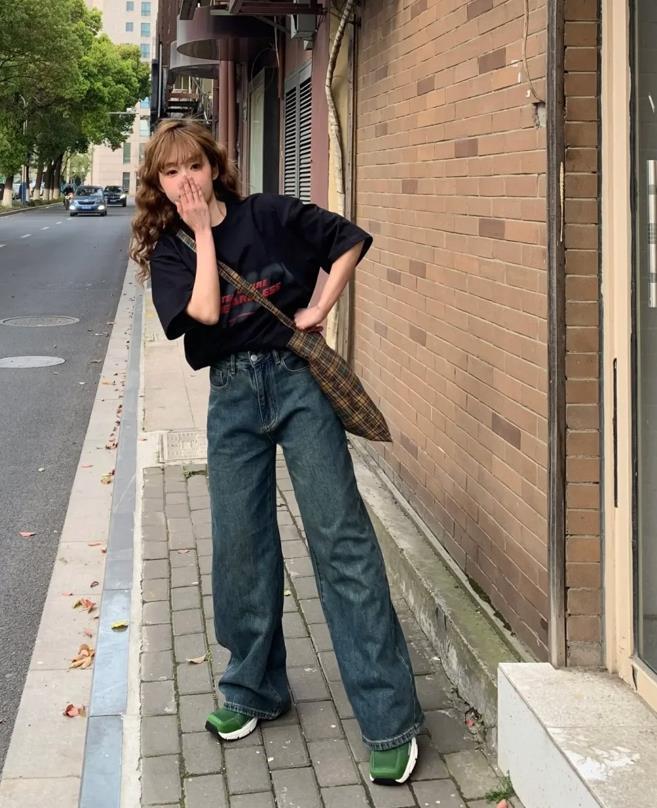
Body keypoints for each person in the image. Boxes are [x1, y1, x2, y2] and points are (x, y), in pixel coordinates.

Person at [130, 118, 423, 786]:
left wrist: (320, 306)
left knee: (340, 539)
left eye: (194, 166)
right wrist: (202, 232)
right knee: (240, 546)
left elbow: (348, 239)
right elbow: (205, 314)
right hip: (231, 397)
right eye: (171, 172)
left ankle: (390, 718)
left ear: (214, 167)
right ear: (158, 184)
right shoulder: (171, 252)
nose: (186, 181)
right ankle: (253, 689)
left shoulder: (267, 214)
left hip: (297, 385)